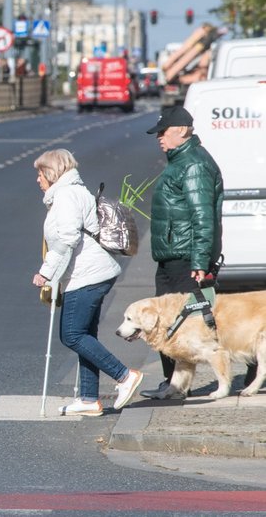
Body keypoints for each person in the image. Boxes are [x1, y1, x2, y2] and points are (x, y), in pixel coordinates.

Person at [31, 149, 143, 416]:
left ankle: (124, 376)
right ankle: (89, 399)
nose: (37, 179)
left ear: (52, 172)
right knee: (84, 334)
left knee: (71, 334)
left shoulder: (67, 196)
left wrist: (46, 273)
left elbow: (67, 240)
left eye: (39, 173)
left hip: (87, 275)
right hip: (93, 272)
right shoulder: (71, 191)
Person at [141, 106, 225, 399]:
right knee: (167, 323)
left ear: (181, 131)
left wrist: (200, 261)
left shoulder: (193, 165)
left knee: (180, 324)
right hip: (173, 255)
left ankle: (179, 386)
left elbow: (203, 216)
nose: (159, 138)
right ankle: (173, 385)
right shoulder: (181, 161)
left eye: (163, 132)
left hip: (185, 258)